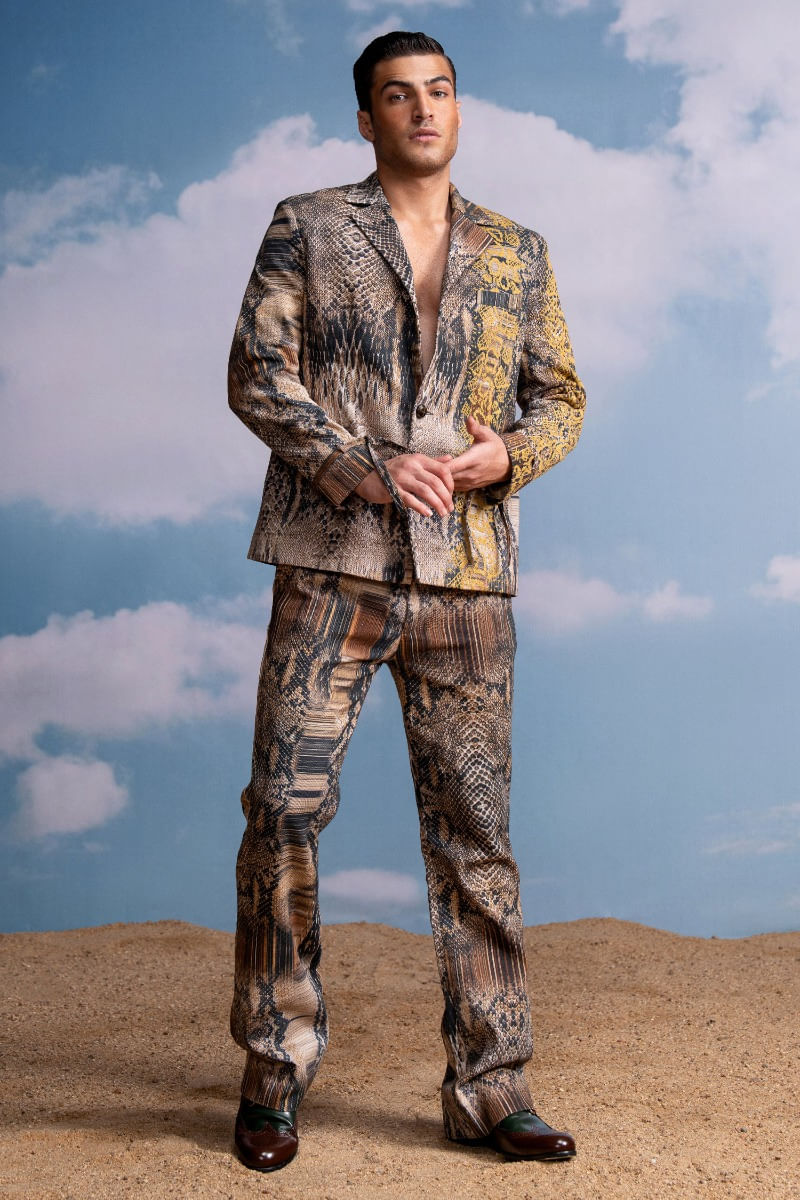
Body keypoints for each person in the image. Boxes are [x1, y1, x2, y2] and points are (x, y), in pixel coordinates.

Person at [227, 30, 586, 1173]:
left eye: (437, 91)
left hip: (465, 582)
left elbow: (560, 398)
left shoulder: (516, 250)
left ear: (457, 108)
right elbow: (256, 374)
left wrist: (507, 456)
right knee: (283, 815)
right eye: (397, 94)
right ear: (365, 117)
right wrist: (363, 466)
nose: (422, 109)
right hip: (328, 564)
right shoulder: (308, 224)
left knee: (475, 837)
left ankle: (490, 1086)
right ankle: (274, 1072)